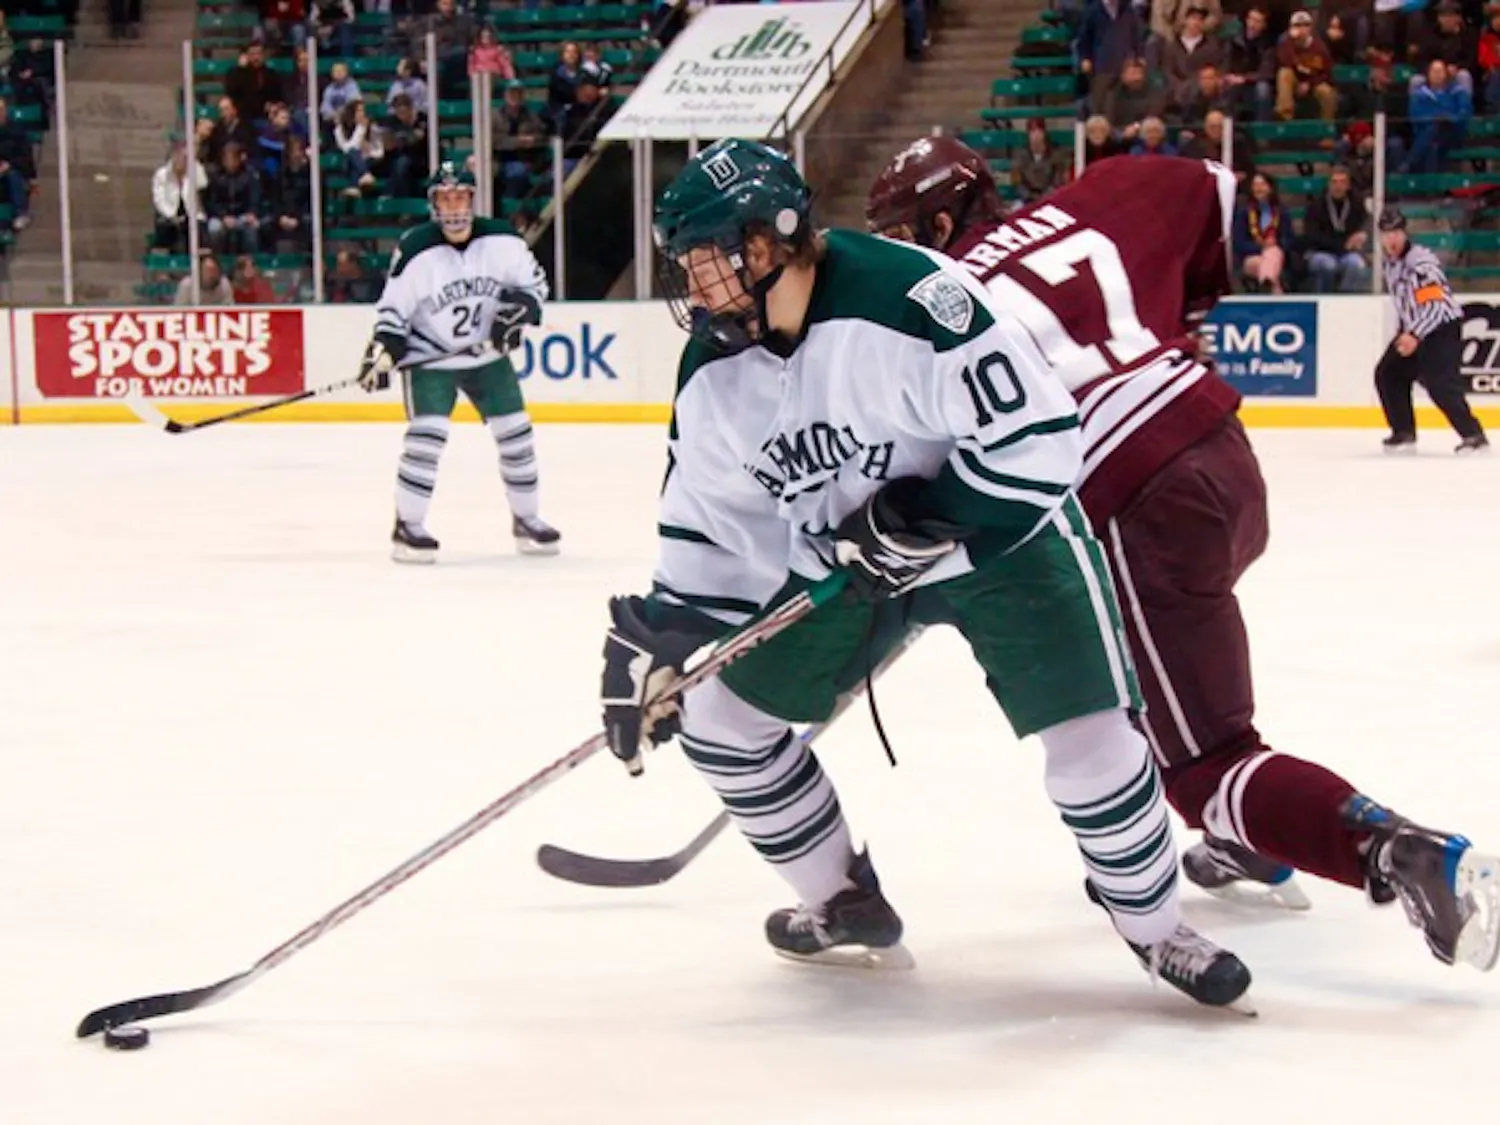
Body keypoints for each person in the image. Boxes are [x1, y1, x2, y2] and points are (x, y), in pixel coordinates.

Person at [601, 138, 1254, 1008]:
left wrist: (932, 516)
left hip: (1001, 537)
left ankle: (1154, 925)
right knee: (722, 719)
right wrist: (666, 636)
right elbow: (715, 533)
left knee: (1093, 743)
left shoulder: (912, 302)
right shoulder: (715, 373)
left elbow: (1041, 440)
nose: (693, 286)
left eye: (706, 261)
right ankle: (842, 900)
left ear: (768, 244)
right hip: (848, 557)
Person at [864, 140, 1500, 973]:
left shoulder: (935, 307)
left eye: (907, 232)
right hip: (1214, 442)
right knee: (1142, 681)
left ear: (941, 221)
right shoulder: (1092, 199)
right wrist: (1185, 315)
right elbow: (1211, 185)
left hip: (1136, 501)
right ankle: (1253, 842)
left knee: (1201, 764)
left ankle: (1406, 851)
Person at [360, 162, 561, 561]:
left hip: (488, 357)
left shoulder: (504, 240)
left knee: (517, 434)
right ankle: (408, 527)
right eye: (445, 198)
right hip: (432, 359)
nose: (454, 206)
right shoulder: (416, 248)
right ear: (433, 204)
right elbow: (393, 309)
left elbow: (535, 286)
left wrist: (518, 310)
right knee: (427, 438)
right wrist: (384, 347)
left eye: (460, 196)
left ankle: (527, 520)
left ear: (472, 199)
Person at [1375, 206, 1489, 454]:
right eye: (1386, 233)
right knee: (1389, 373)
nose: (1391, 239)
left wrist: (1414, 335)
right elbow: (1406, 303)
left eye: (1396, 232)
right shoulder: (1391, 264)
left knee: (1441, 385)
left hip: (1440, 328)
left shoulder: (1421, 263)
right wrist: (1404, 333)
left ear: (1404, 233)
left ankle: (1474, 435)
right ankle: (1403, 432)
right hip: (1415, 330)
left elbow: (1436, 306)